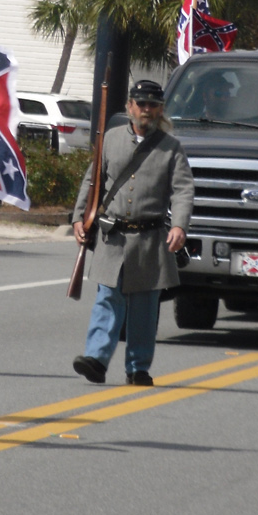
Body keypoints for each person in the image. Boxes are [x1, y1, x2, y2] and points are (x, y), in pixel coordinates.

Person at [70, 79, 194, 388]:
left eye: (153, 105)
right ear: (129, 107)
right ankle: (96, 359)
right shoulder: (110, 139)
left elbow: (183, 191)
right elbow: (92, 181)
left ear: (160, 109)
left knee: (144, 308)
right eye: (141, 104)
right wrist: (78, 218)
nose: (146, 110)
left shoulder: (171, 147)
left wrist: (179, 224)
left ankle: (138, 368)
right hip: (114, 236)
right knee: (107, 299)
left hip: (150, 239)